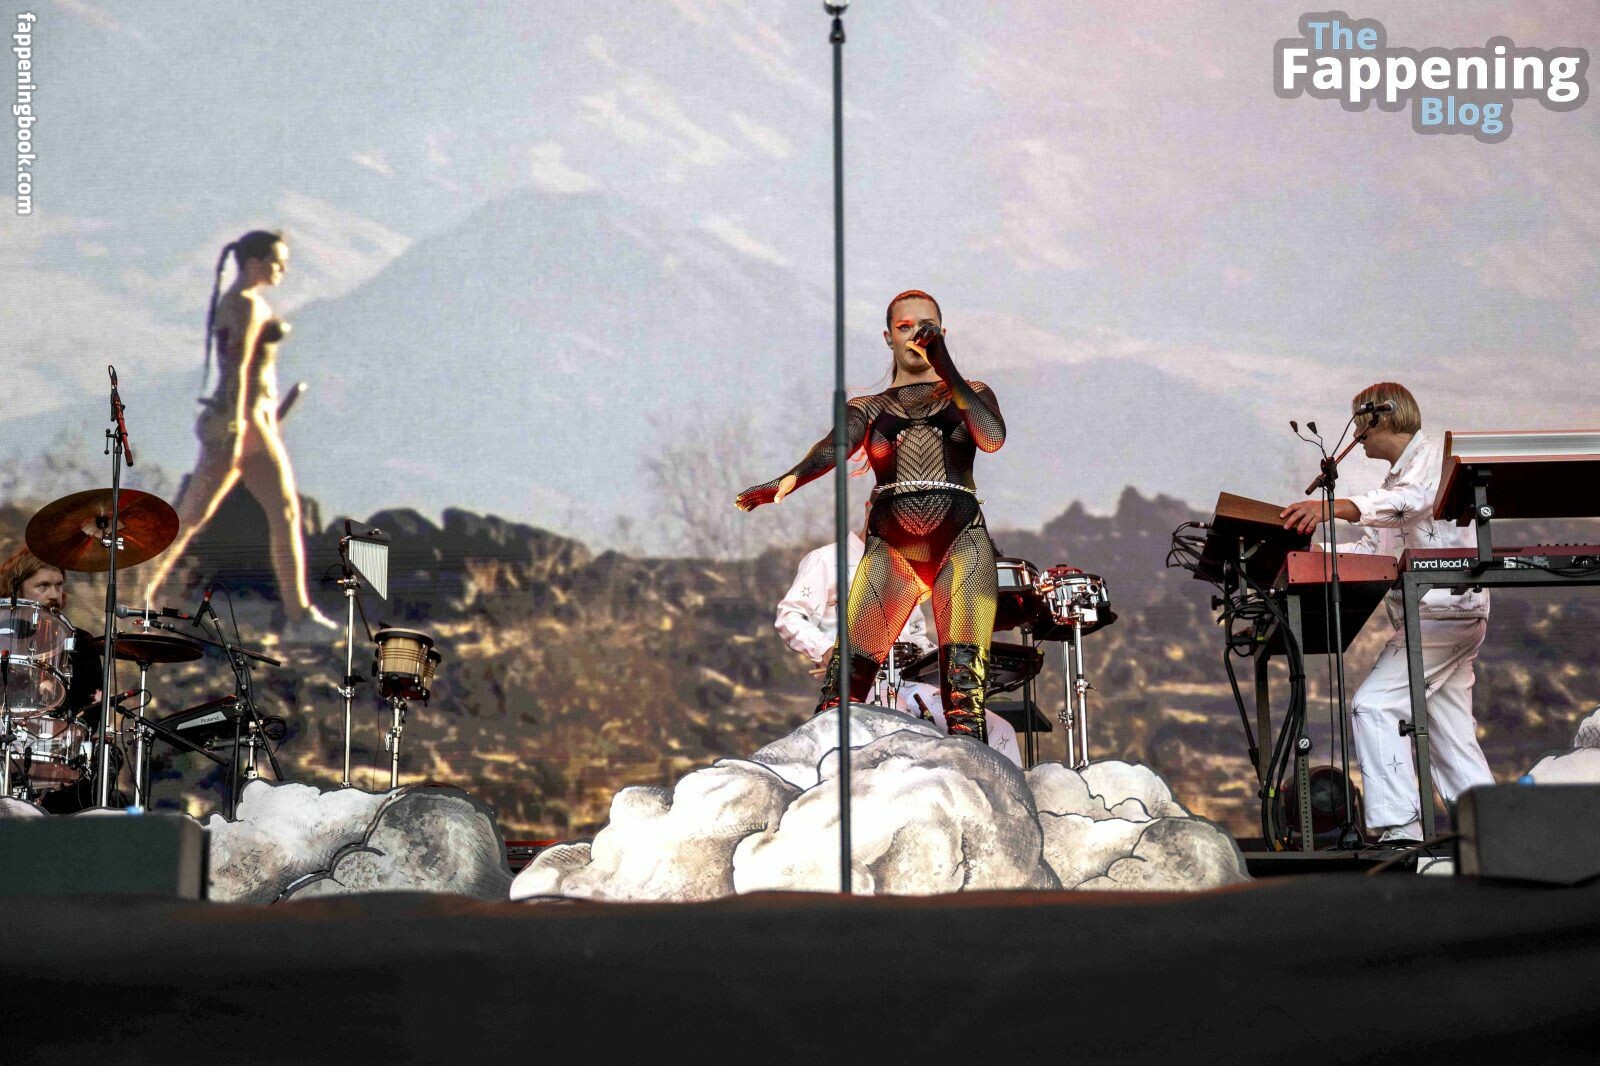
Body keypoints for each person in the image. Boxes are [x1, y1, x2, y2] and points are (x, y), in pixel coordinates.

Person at [738, 290, 1006, 743]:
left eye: (927, 327)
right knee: (842, 688)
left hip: (961, 540)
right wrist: (789, 479)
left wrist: (945, 365)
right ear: (888, 337)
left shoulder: (973, 393)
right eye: (905, 327)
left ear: (942, 333)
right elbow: (833, 446)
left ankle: (974, 780)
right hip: (892, 548)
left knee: (965, 696)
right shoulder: (868, 407)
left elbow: (992, 438)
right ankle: (822, 776)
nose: (916, 335)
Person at [1279, 382, 1492, 844]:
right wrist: (1306, 552)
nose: (1357, 436)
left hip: (1444, 613)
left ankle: (1402, 832)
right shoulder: (1396, 478)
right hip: (1442, 613)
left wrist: (1335, 508)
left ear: (1376, 419)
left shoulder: (1432, 458)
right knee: (1450, 736)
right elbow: (1375, 548)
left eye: (1359, 424)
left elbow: (1412, 503)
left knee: (1374, 705)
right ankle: (1495, 837)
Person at [141, 229, 334, 629]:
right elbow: (238, 366)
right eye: (276, 262)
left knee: (281, 512)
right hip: (241, 423)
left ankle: (299, 613)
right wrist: (236, 426)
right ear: (253, 263)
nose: (282, 269)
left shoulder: (250, 302)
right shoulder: (243, 304)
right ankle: (132, 596)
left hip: (253, 421)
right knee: (195, 516)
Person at [776, 499, 1023, 766]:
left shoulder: (902, 568)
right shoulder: (827, 560)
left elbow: (915, 635)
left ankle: (994, 792)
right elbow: (790, 615)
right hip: (866, 682)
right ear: (871, 510)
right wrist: (825, 649)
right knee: (907, 727)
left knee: (999, 730)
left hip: (912, 682)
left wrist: (939, 661)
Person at [0, 544, 112, 810]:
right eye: (43, 586)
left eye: (58, 585)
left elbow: (91, 709)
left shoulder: (79, 641)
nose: (54, 594)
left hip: (54, 758)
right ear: (17, 589)